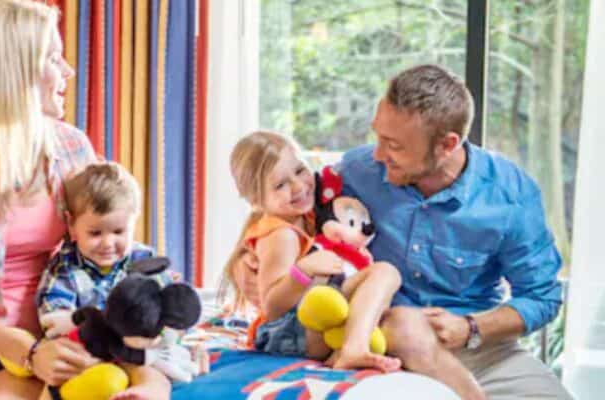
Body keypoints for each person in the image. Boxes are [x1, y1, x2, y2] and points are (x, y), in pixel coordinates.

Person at [233, 64, 571, 400]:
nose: (378, 154)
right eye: (377, 136)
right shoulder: (357, 170)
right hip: (375, 335)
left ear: (447, 145)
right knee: (400, 326)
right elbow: (280, 205)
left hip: (476, 350)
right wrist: (242, 263)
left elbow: (542, 298)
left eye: (393, 145)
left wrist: (471, 327)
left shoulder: (509, 196)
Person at [0, 2, 166, 399]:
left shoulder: (71, 147)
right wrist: (26, 349)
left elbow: (104, 247)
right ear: (16, 70)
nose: (68, 72)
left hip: (50, 339)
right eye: (54, 59)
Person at [223, 131, 402, 372]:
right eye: (280, 185)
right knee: (384, 272)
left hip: (310, 319)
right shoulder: (281, 235)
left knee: (382, 277)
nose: (298, 186)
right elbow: (272, 307)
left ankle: (347, 347)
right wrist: (303, 270)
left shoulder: (303, 214)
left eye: (299, 171)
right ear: (256, 201)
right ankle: (353, 348)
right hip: (286, 332)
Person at [35, 162, 176, 399]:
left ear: (134, 221)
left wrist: (171, 337)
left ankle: (146, 393)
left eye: (119, 232)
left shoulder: (145, 261)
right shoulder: (65, 267)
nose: (108, 243)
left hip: (135, 348)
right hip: (87, 350)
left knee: (152, 371)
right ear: (71, 224)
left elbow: (173, 308)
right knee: (56, 378)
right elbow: (53, 315)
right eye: (96, 233)